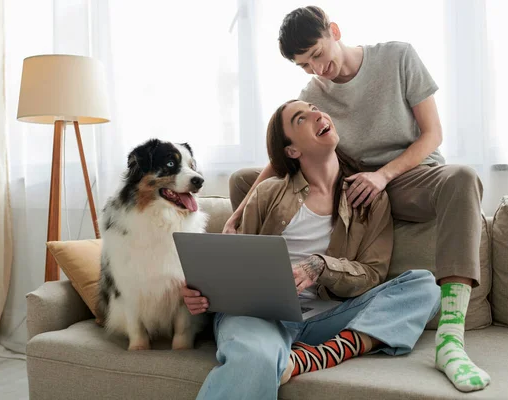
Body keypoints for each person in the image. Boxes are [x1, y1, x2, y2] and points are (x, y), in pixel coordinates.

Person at [223, 6, 489, 393]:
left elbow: (432, 135)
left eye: (316, 54)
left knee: (462, 177)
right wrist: (242, 209)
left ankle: (450, 339)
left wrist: (383, 175)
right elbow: (281, 156)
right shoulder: (313, 94)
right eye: (304, 65)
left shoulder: (398, 56)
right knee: (247, 181)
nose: (316, 69)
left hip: (409, 176)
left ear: (333, 30)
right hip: (353, 184)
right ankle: (265, 300)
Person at [183, 99, 440, 400]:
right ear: (292, 151)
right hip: (263, 316)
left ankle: (313, 357)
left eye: (315, 108)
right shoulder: (268, 192)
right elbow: (233, 267)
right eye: (301, 119)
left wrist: (320, 266)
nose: (317, 114)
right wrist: (197, 294)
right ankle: (288, 355)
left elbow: (372, 274)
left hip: (330, 318)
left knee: (425, 286)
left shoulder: (370, 199)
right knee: (256, 358)